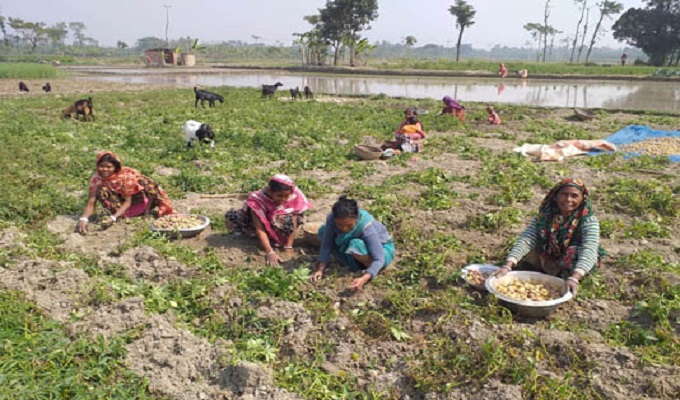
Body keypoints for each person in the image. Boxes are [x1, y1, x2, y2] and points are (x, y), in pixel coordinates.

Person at [495, 179, 606, 296]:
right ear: (555, 196)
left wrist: (574, 277)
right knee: (526, 250)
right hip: (552, 254)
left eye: (574, 196)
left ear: (582, 199)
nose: (568, 200)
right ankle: (550, 269)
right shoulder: (545, 215)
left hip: (573, 259)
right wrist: (508, 265)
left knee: (573, 252)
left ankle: (567, 276)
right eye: (564, 194)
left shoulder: (588, 221)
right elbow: (528, 238)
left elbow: (589, 249)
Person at [310, 196, 395, 290]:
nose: (344, 229)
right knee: (323, 231)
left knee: (355, 245)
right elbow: (327, 243)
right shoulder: (331, 219)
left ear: (356, 217)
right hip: (353, 248)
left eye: (349, 225)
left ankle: (371, 267)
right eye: (339, 225)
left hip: (381, 250)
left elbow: (379, 258)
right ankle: (356, 263)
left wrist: (364, 279)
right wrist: (320, 269)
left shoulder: (366, 227)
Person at [78, 151, 174, 234]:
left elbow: (128, 201)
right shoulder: (97, 178)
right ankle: (120, 213)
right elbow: (91, 201)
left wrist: (114, 217)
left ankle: (147, 209)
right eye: (101, 166)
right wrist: (84, 218)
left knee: (143, 181)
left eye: (109, 167)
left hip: (137, 200)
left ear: (115, 167)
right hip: (120, 201)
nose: (105, 169)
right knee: (101, 190)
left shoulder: (125, 176)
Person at [226, 174, 311, 266]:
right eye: (279, 196)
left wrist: (288, 245)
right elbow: (259, 228)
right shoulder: (257, 200)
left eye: (286, 196)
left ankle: (277, 237)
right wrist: (270, 252)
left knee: (292, 218)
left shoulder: (294, 195)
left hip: (276, 221)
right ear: (270, 192)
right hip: (254, 224)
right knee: (233, 217)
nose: (283, 199)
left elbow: (294, 218)